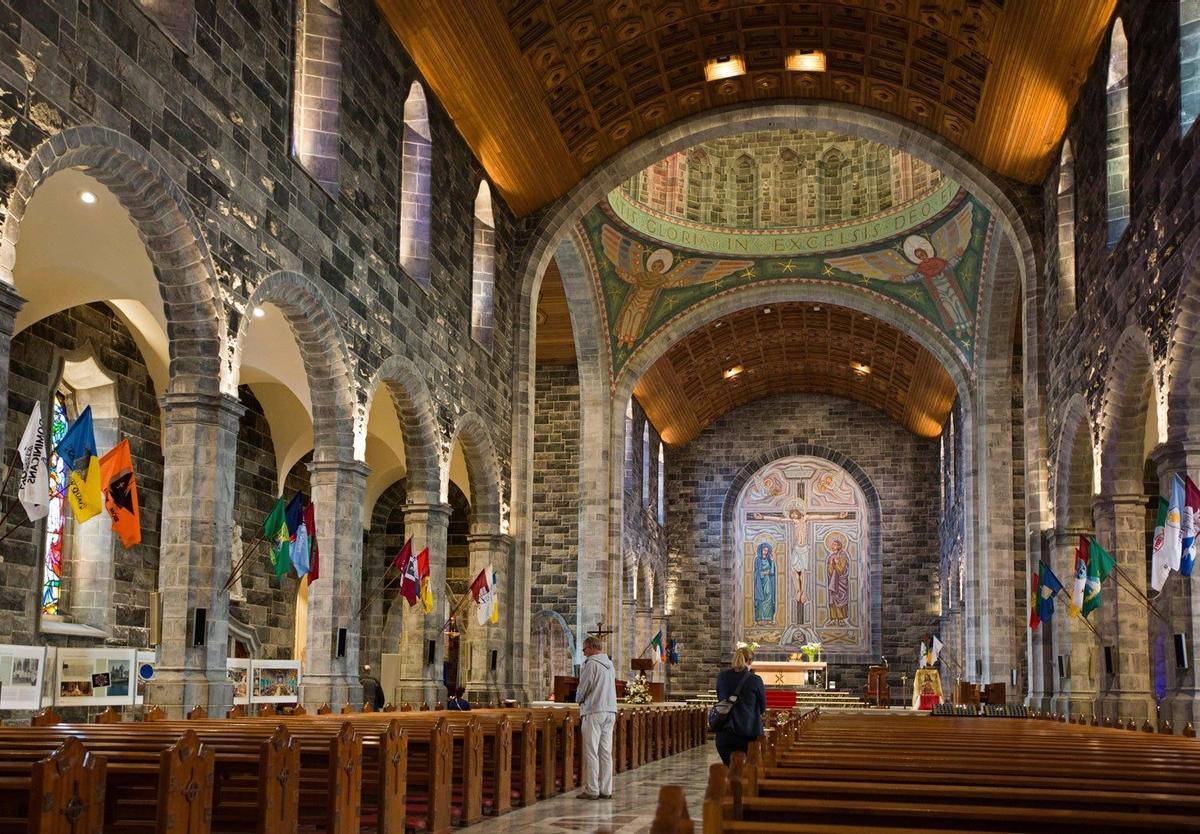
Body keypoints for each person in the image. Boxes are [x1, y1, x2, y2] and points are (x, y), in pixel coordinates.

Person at [574, 635, 617, 800]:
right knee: (605, 752)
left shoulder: (591, 664)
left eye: (584, 650)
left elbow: (584, 686)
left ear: (591, 648)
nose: (584, 653)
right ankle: (606, 789)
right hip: (610, 710)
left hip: (594, 710)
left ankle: (592, 789)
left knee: (591, 751)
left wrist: (578, 699)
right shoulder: (610, 665)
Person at [713, 647, 766, 765]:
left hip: (725, 733)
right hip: (748, 734)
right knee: (747, 772)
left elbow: (721, 699)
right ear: (750, 661)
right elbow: (762, 707)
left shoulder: (722, 677)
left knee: (730, 769)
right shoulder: (755, 679)